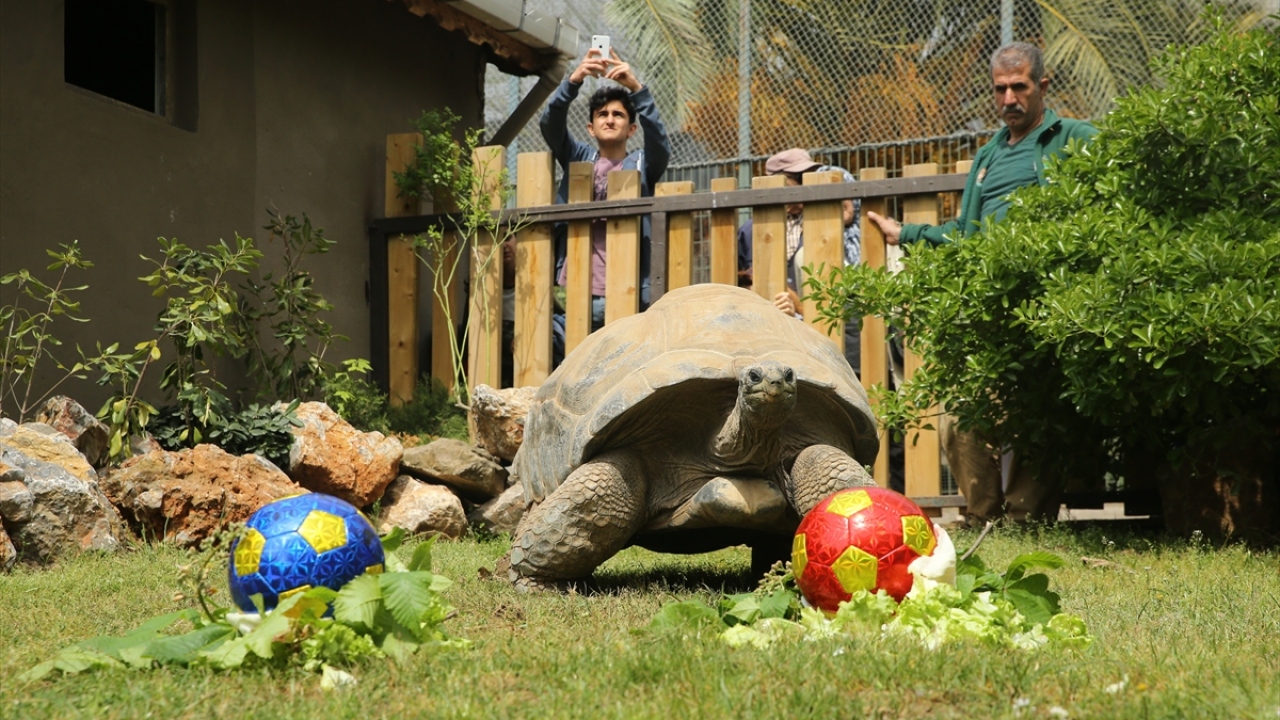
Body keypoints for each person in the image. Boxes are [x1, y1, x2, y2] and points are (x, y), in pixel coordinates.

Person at [866, 41, 1098, 524]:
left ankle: (1026, 522)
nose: (1009, 98)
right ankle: (982, 518)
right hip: (989, 309)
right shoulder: (987, 155)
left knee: (1035, 416)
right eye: (1000, 89)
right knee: (960, 419)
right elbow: (967, 233)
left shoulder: (1072, 137)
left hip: (1047, 307)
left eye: (1020, 87)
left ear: (1042, 86)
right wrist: (906, 234)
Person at [540, 46, 671, 331]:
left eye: (618, 115)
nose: (610, 119)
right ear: (591, 127)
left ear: (631, 129)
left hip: (629, 290)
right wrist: (573, 81)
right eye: (602, 114)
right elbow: (550, 125)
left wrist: (636, 89)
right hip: (574, 291)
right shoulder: (578, 158)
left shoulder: (642, 166)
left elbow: (660, 144)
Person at [736, 148, 862, 372]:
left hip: (826, 335)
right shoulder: (751, 231)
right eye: (796, 179)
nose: (802, 185)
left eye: (804, 178)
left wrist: (798, 308)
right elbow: (739, 281)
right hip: (773, 338)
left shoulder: (825, 220)